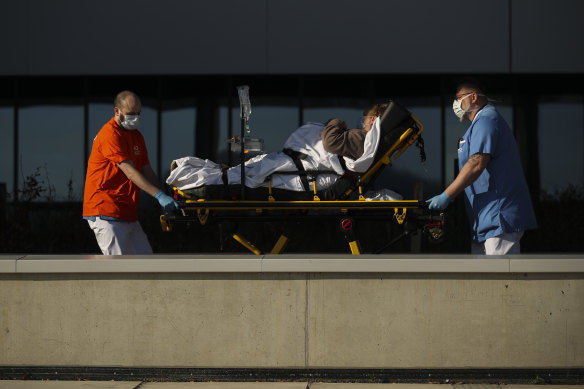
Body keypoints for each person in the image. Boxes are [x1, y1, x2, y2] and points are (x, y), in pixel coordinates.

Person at [427, 79, 537, 255]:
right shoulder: (478, 124)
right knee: (483, 280)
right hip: (486, 218)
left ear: (474, 97)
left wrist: (447, 195)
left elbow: (476, 163)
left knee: (500, 279)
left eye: (459, 98)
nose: (456, 104)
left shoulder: (486, 120)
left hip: (499, 216)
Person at [83, 90, 180, 255]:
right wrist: (159, 196)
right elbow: (130, 171)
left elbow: (146, 169)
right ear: (117, 111)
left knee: (146, 266)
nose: (135, 117)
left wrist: (164, 195)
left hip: (127, 213)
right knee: (119, 272)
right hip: (106, 211)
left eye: (138, 113)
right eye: (130, 113)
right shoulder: (110, 134)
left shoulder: (136, 136)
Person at [322, 103, 388, 159]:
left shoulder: (362, 137)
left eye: (365, 115)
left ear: (373, 119)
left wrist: (337, 122)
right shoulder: (367, 138)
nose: (362, 119)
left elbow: (330, 143)